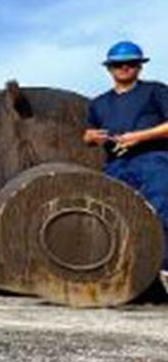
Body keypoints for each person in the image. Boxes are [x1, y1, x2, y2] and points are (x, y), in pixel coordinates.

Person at [84, 41, 168, 287]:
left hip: (154, 161)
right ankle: (128, 277)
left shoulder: (156, 91)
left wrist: (139, 136)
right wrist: (91, 137)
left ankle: (164, 270)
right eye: (118, 64)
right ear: (109, 68)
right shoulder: (98, 103)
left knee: (161, 212)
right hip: (117, 165)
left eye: (131, 63)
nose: (124, 68)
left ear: (140, 66)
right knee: (116, 215)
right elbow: (88, 134)